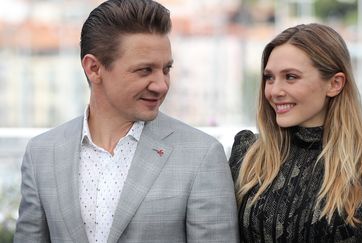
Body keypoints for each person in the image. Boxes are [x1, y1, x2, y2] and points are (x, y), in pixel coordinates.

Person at [14, 0, 239, 242]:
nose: (161, 85)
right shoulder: (41, 154)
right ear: (94, 68)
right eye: (144, 70)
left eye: (166, 69)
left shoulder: (202, 155)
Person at [229, 23, 362, 242]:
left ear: (335, 84)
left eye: (290, 77)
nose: (274, 91)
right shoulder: (248, 154)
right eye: (269, 77)